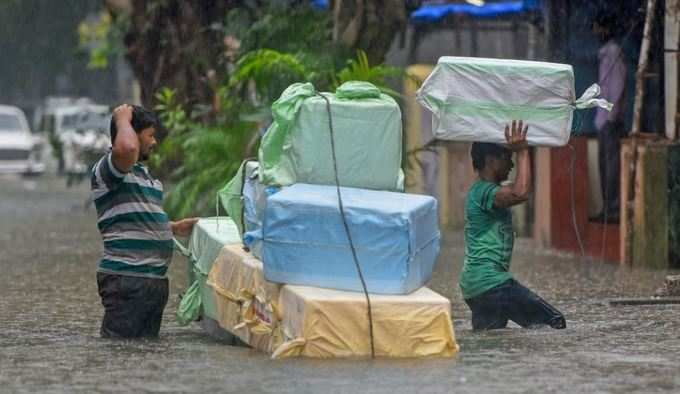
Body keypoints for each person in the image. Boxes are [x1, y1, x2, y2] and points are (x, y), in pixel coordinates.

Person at [91, 104, 198, 338]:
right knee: (120, 355)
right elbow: (127, 148)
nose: (154, 141)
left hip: (152, 282)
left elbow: (130, 220)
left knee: (144, 356)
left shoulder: (145, 176)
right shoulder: (109, 170)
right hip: (128, 278)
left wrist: (171, 228)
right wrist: (122, 118)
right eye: (150, 135)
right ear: (132, 134)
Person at [460, 120, 566, 330]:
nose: (511, 164)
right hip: (491, 283)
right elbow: (521, 192)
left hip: (476, 286)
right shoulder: (483, 192)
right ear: (490, 160)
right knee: (554, 323)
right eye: (507, 157)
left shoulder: (483, 191)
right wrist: (523, 151)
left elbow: (518, 188)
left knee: (491, 341)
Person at [592, 9, 627, 223]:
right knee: (605, 166)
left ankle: (613, 210)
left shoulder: (613, 52)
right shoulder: (606, 52)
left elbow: (617, 85)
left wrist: (611, 116)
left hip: (610, 119)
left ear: (605, 28)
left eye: (597, 27)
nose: (595, 31)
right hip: (603, 119)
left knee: (611, 166)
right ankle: (608, 208)